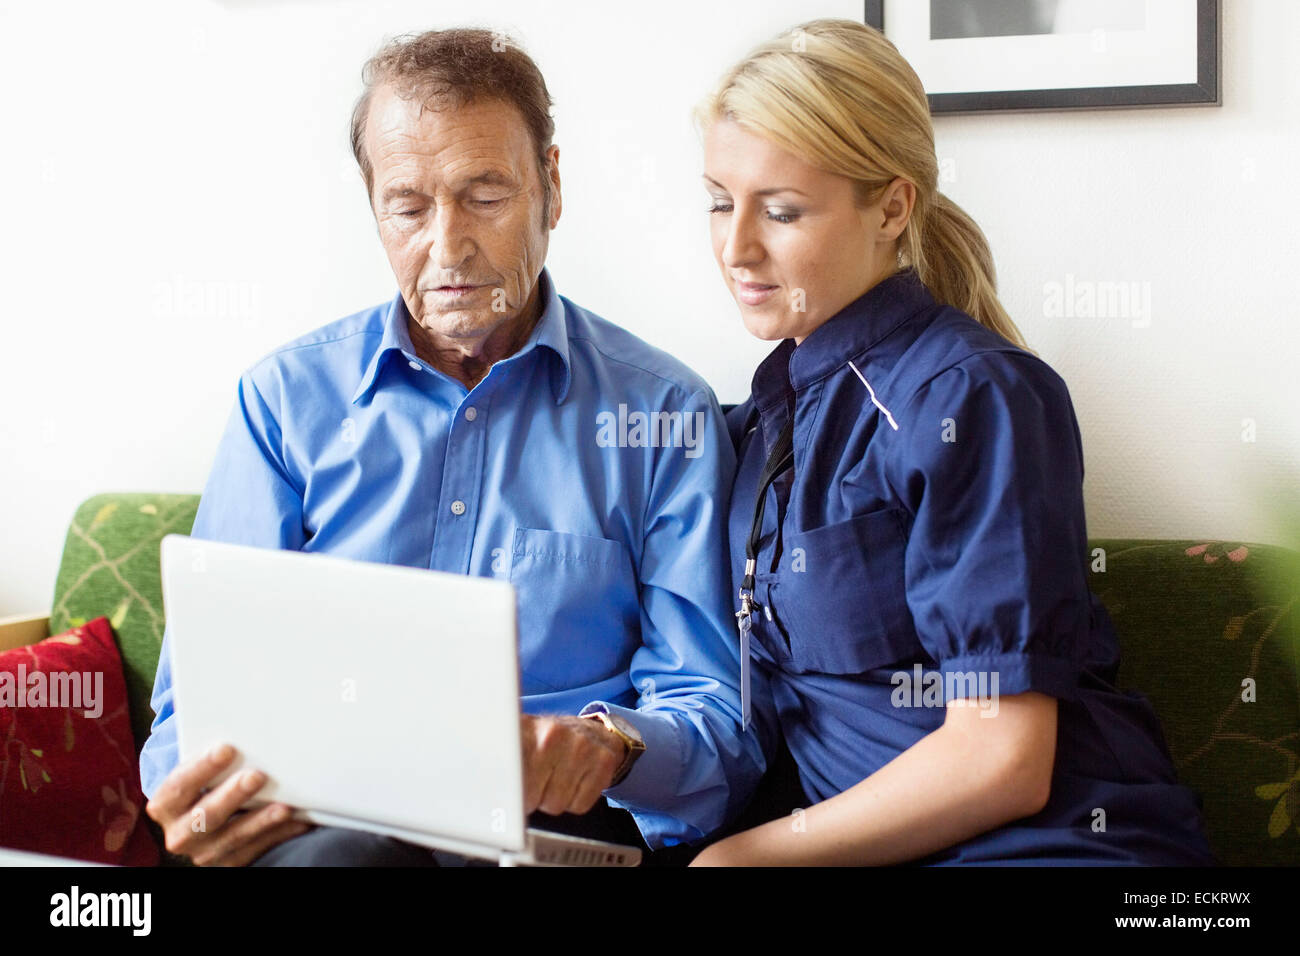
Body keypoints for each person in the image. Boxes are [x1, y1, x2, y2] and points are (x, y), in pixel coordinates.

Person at [139, 27, 760, 867]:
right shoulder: (284, 404)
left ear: (551, 188)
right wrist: (203, 800)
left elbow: (712, 715)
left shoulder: (663, 413)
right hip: (332, 825)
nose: (447, 244)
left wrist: (613, 745)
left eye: (485, 195)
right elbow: (196, 706)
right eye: (409, 206)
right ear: (374, 208)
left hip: (553, 827)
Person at [688, 18, 1216, 865]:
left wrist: (746, 857)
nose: (736, 247)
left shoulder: (975, 396)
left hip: (1050, 850)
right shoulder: (762, 421)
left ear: (893, 206)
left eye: (781, 211)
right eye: (719, 201)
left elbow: (1002, 758)